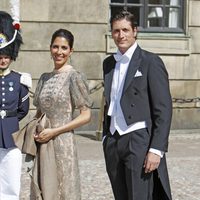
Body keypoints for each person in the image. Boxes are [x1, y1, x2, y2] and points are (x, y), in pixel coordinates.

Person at [102, 10, 172, 200]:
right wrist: (105, 138)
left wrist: (156, 149)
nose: (121, 35)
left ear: (135, 31)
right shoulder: (108, 63)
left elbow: (163, 110)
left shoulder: (151, 61)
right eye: (116, 31)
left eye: (125, 30)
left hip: (138, 140)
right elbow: (110, 101)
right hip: (114, 140)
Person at [33, 28, 93, 200]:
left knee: (63, 190)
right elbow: (38, 113)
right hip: (43, 142)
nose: (59, 52)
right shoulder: (44, 78)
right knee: (43, 190)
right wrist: (36, 131)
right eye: (55, 47)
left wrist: (55, 131)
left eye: (64, 48)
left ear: (71, 51)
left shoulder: (75, 77)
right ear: (50, 48)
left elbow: (85, 115)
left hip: (63, 143)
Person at [0, 11, 31, 199]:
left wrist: (9, 119)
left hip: (12, 133)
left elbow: (23, 110)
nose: (2, 59)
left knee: (11, 178)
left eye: (6, 56)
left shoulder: (20, 80)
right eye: (0, 56)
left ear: (12, 56)